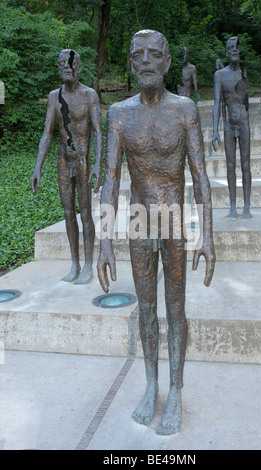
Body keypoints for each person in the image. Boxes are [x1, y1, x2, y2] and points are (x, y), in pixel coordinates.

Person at [97, 30, 215, 435]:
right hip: (137, 219)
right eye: (137, 55)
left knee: (176, 308)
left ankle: (176, 389)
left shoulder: (184, 110)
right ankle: (151, 384)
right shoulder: (118, 113)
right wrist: (103, 241)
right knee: (146, 308)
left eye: (154, 55)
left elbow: (200, 176)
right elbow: (110, 180)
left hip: (173, 218)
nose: (146, 61)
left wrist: (208, 235)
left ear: (166, 62)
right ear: (131, 63)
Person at [31, 49, 103, 284]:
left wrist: (97, 165)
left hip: (82, 162)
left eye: (70, 63)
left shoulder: (90, 95)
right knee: (68, 214)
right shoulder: (54, 97)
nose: (66, 67)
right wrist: (37, 168)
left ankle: (89, 264)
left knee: (85, 215)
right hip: (64, 162)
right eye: (62, 63)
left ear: (79, 67)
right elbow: (47, 133)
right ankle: (75, 263)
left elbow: (99, 132)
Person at [212, 36, 252, 218]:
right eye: (231, 48)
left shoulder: (242, 75)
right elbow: (216, 103)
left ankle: (247, 207)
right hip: (229, 125)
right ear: (227, 52)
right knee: (230, 166)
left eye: (237, 47)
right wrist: (214, 130)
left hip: (243, 122)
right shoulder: (220, 75)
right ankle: (233, 206)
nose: (234, 50)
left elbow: (246, 103)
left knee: (245, 165)